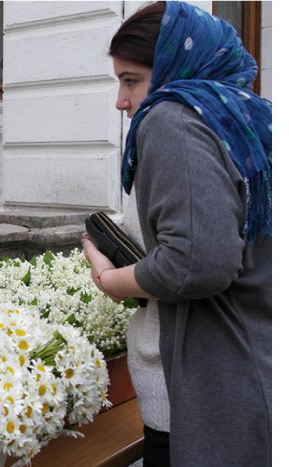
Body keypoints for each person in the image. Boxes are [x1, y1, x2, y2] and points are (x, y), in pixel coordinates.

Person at [81, 2, 271, 466]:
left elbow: (196, 262)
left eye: (131, 80)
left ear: (173, 69)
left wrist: (111, 279)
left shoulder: (173, 118)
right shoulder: (250, 119)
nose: (121, 101)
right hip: (254, 373)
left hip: (207, 390)